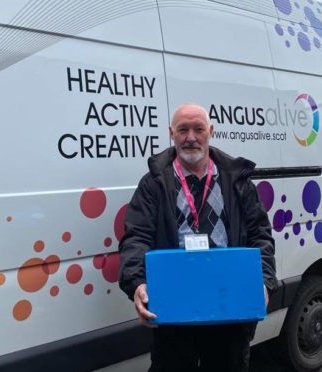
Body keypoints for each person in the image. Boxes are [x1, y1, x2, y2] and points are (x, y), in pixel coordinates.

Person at [118, 103, 277, 372]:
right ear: (171, 133)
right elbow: (136, 236)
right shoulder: (154, 183)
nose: (190, 137)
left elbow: (261, 235)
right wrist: (137, 283)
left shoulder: (236, 180)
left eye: (198, 129)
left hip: (228, 308)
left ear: (210, 131)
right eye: (183, 129)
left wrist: (263, 281)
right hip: (175, 310)